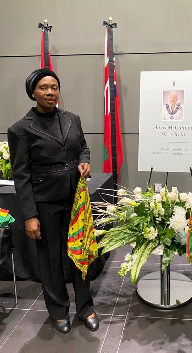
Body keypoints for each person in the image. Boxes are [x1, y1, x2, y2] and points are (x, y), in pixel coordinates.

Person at [7, 68, 99, 334]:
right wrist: (30, 216)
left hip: (75, 200)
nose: (50, 92)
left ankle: (86, 307)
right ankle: (58, 310)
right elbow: (21, 176)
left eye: (54, 87)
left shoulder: (73, 119)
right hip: (44, 203)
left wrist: (84, 161)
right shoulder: (20, 129)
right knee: (50, 260)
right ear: (33, 92)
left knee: (80, 253)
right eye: (43, 88)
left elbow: (83, 146)